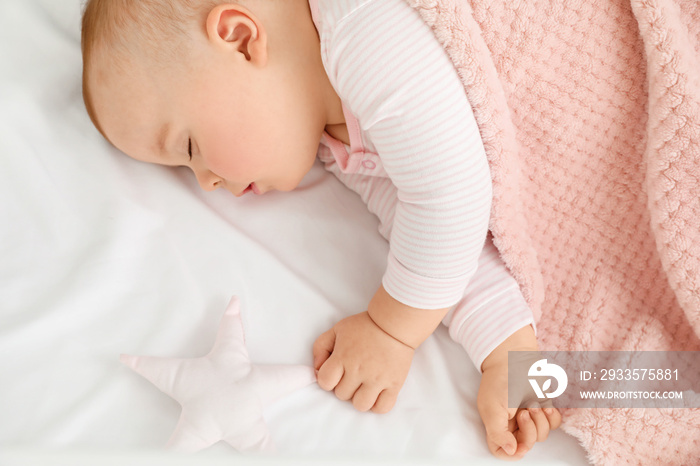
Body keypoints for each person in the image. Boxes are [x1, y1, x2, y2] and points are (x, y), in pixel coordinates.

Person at [81, 0, 561, 459]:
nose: (206, 182)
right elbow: (432, 236)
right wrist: (507, 350)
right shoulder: (334, 144)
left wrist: (390, 329)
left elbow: (451, 196)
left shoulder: (361, 31)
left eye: (189, 146)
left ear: (241, 38)